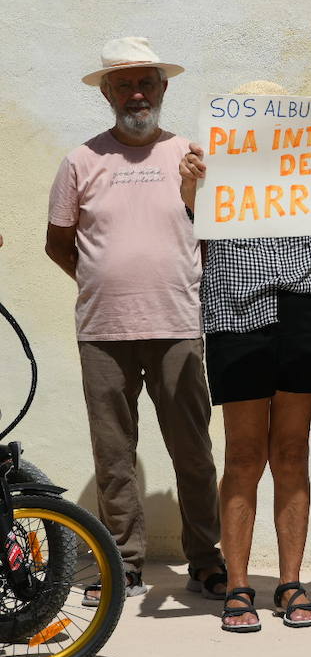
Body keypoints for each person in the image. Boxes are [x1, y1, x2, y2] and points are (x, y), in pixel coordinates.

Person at [45, 36, 223, 606]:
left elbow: (219, 233)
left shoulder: (190, 155)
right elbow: (58, 242)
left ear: (164, 88)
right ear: (107, 94)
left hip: (177, 324)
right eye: (124, 83)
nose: (137, 92)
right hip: (102, 332)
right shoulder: (81, 160)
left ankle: (206, 560)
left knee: (192, 450)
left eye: (146, 81)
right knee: (114, 457)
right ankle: (121, 566)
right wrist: (105, 282)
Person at [178, 80, 311, 632]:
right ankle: (238, 585)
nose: (263, 124)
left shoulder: (310, 165)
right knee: (244, 455)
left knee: (292, 455)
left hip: (301, 308)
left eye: (273, 114)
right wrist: (190, 181)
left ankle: (291, 582)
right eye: (253, 114)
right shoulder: (213, 168)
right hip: (233, 314)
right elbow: (192, 208)